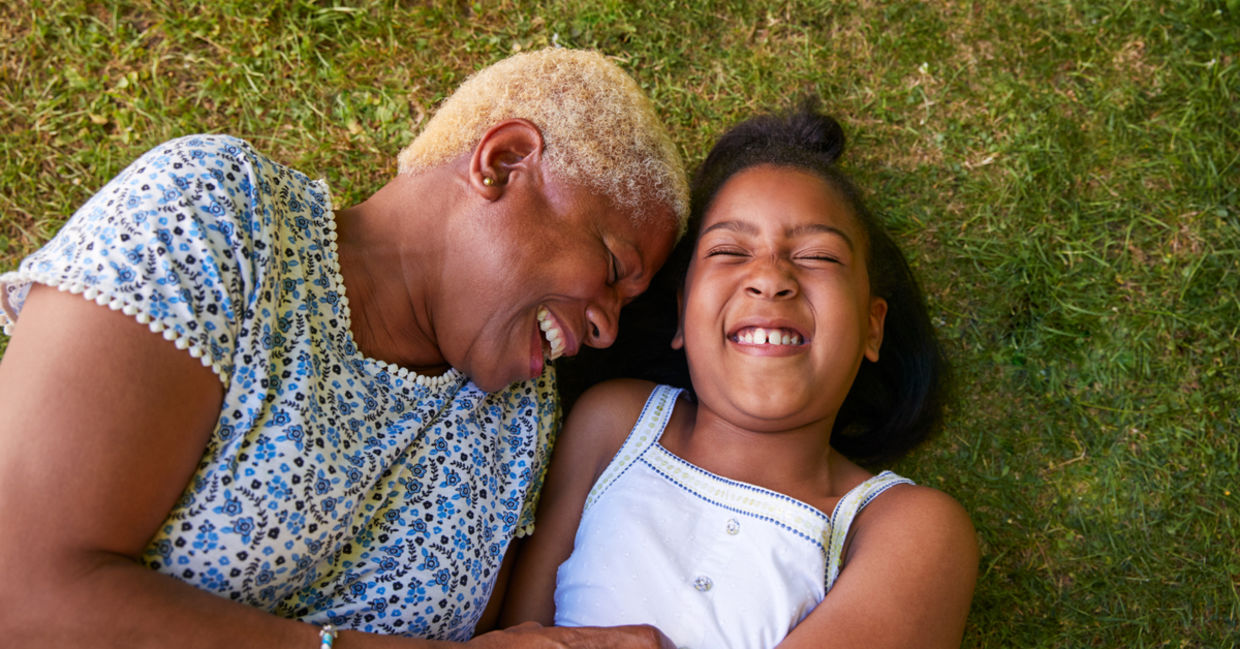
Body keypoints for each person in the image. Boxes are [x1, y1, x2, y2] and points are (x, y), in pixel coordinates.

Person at [0, 48, 690, 648]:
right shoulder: (217, 216)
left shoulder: (518, 425)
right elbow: (21, 597)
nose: (606, 330)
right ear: (504, 162)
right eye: (611, 268)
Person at [501, 104, 979, 649]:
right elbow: (515, 637)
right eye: (729, 251)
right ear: (682, 314)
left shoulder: (908, 528)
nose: (770, 278)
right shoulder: (615, 424)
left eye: (819, 256)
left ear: (873, 328)